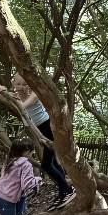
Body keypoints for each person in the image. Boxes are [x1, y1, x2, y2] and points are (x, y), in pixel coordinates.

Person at [12, 72, 75, 207]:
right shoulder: (16, 96)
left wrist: (10, 96)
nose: (22, 87)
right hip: (41, 131)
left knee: (46, 164)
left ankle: (67, 191)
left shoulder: (34, 93)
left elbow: (23, 107)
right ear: (14, 84)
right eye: (18, 84)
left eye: (25, 84)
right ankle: (64, 191)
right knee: (54, 163)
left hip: (48, 128)